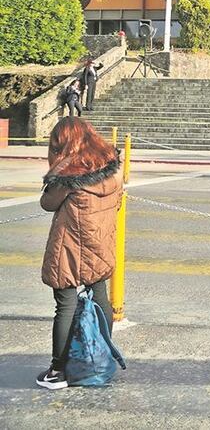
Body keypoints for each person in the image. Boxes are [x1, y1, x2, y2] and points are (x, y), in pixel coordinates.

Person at [36, 117, 123, 390]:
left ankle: (58, 371)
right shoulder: (112, 169)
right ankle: (100, 356)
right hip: (100, 244)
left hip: (70, 247)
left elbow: (47, 203)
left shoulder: (69, 176)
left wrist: (57, 167)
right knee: (100, 298)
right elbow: (118, 204)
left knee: (65, 304)